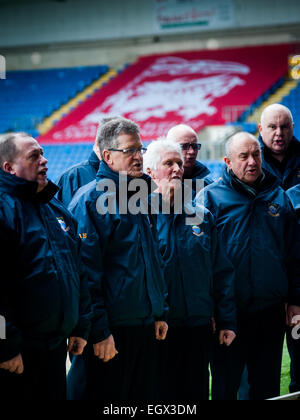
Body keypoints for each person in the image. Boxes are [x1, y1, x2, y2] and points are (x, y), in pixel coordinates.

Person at [68, 117, 168, 401]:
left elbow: (150, 261)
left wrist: (157, 311)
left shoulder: (140, 195)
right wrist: (99, 331)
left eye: (140, 149)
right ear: (108, 156)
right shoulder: (90, 201)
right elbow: (86, 274)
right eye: (130, 151)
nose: (138, 157)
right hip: (110, 333)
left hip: (143, 326)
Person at [196, 132, 300, 400]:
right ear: (228, 161)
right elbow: (198, 259)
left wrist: (295, 299)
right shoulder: (206, 199)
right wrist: (209, 307)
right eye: (244, 156)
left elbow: (294, 253)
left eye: (256, 155)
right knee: (226, 386)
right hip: (228, 313)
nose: (252, 162)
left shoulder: (278, 196)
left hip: (270, 311)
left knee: (266, 388)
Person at [0, 132, 92, 401]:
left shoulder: (55, 207)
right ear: (9, 168)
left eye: (42, 153)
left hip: (54, 347)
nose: (44, 160)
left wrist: (79, 326)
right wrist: (4, 345)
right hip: (17, 352)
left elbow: (77, 270)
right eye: (34, 156)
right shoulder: (4, 210)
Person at [143, 139, 236, 401]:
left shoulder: (202, 215)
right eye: (168, 163)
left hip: (198, 328)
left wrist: (226, 319)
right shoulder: (140, 218)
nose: (176, 169)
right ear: (149, 172)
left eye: (179, 164)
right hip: (158, 330)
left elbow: (220, 271)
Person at [258, 103, 300, 191]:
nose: (279, 133)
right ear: (260, 129)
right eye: (272, 127)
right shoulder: (247, 161)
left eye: (284, 127)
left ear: (292, 127)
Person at [167, 124, 214, 195]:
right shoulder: (154, 184)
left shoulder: (208, 187)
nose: (192, 151)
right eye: (184, 146)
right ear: (169, 148)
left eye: (194, 146)